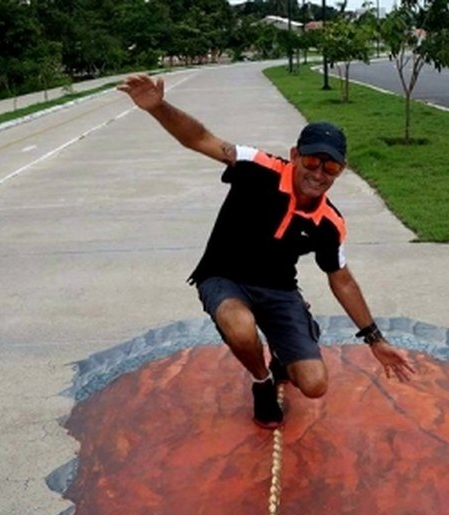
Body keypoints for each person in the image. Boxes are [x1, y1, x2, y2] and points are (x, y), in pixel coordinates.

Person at [117, 73, 415, 428]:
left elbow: (342, 279)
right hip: (223, 277)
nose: (319, 173)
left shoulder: (328, 221)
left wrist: (375, 340)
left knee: (315, 385)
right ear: (295, 156)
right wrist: (159, 107)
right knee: (241, 328)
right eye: (311, 161)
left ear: (341, 170)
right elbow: (200, 139)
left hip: (278, 290)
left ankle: (290, 340)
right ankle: (262, 381)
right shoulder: (258, 168)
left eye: (330, 167)